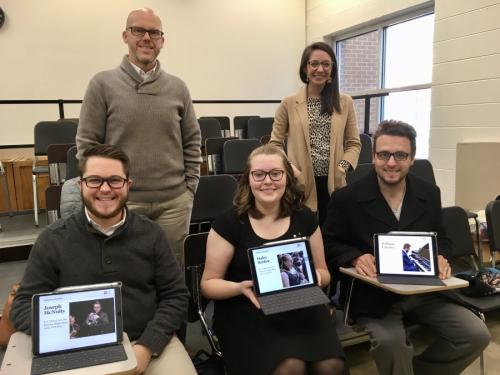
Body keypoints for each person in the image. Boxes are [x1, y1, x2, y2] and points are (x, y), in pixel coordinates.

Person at [11, 144, 196, 375]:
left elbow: (176, 296)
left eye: (115, 180)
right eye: (95, 180)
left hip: (144, 343)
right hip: (73, 349)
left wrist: (147, 346)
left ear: (128, 185)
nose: (105, 189)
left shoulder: (152, 234)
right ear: (80, 185)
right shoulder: (52, 239)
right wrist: (65, 337)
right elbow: (22, 305)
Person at [323, 120, 490, 375]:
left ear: (412, 158)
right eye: (384, 155)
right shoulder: (346, 198)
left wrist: (441, 256)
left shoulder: (429, 193)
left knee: (475, 334)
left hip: (423, 291)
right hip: (372, 295)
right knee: (391, 343)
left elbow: (441, 238)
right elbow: (330, 244)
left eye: (400, 155)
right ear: (373, 156)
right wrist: (355, 257)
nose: (391, 163)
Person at [201, 144, 346, 375]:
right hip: (248, 308)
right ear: (248, 179)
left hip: (302, 305)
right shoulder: (230, 223)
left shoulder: (305, 218)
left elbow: (324, 272)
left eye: (275, 174)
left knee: (331, 366)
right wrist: (239, 287)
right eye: (259, 174)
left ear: (287, 177)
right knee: (290, 368)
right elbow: (208, 284)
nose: (267, 181)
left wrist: (316, 277)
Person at [76, 7, 201, 266]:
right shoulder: (102, 84)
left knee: (170, 273)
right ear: (125, 36)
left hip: (174, 204)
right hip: (124, 202)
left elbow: (192, 140)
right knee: (125, 273)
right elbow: (87, 146)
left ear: (162, 41)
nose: (146, 37)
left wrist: (189, 189)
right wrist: (104, 191)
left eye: (154, 32)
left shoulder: (178, 88)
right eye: (138, 30)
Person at [269, 41, 361, 225]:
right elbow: (274, 144)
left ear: (332, 68)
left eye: (326, 64)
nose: (320, 69)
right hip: (301, 181)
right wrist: (292, 170)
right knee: (304, 233)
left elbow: (354, 143)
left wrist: (341, 167)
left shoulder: (344, 102)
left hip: (334, 182)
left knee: (332, 234)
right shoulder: (288, 103)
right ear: (305, 68)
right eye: (314, 64)